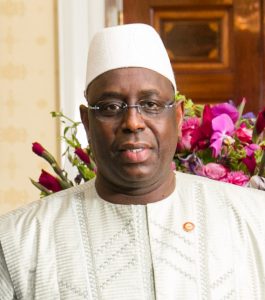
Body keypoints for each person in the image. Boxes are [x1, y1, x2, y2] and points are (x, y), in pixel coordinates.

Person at [0, 23, 265, 300]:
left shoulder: (255, 220)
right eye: (111, 107)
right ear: (87, 122)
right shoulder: (18, 241)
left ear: (177, 117)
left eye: (150, 104)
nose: (133, 122)